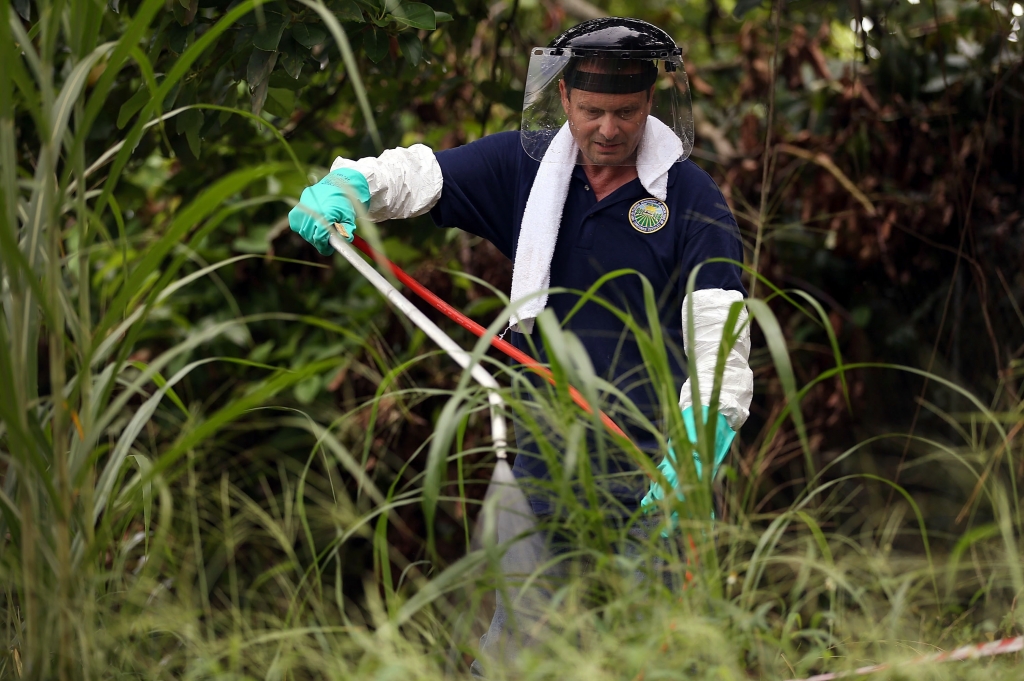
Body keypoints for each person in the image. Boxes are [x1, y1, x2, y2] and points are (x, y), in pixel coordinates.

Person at [288, 16, 753, 674]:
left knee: (653, 655)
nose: (609, 129)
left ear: (652, 103)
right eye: (592, 110)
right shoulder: (527, 167)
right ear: (564, 98)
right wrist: (354, 186)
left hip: (655, 473)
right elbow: (423, 175)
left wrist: (699, 445)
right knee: (517, 657)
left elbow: (719, 333)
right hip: (541, 464)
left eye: (626, 112)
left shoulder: (693, 199)